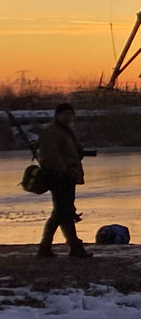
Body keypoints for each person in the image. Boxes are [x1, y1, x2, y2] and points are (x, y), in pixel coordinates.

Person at [35, 102, 91, 259]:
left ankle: (55, 247)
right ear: (57, 115)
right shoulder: (51, 131)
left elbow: (68, 152)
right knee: (62, 211)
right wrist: (63, 171)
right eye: (65, 114)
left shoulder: (66, 131)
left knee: (63, 212)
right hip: (59, 177)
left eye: (70, 114)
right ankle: (69, 247)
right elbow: (50, 155)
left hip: (69, 176)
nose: (68, 117)